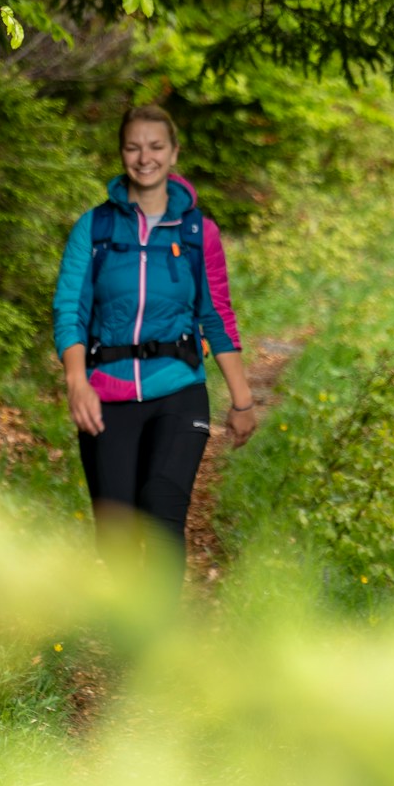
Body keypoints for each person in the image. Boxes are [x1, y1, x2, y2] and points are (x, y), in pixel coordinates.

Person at [51, 105, 255, 574]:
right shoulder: (95, 228)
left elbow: (216, 312)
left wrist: (242, 400)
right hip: (107, 394)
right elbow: (70, 310)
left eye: (156, 146)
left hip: (178, 388)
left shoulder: (198, 232)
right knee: (118, 538)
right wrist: (76, 382)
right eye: (133, 146)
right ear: (122, 153)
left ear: (174, 153)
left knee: (162, 514)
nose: (145, 157)